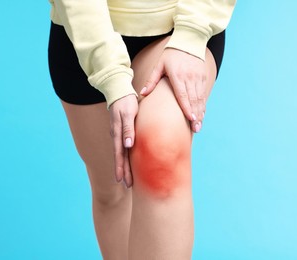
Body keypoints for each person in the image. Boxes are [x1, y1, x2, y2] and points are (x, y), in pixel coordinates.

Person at [48, 0, 236, 259]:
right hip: (87, 28)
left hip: (179, 25)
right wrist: (110, 74)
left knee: (160, 152)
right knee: (113, 189)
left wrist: (191, 33)